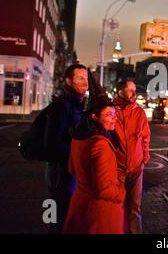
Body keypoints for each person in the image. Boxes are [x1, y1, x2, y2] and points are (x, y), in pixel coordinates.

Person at [63, 90, 125, 234]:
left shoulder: (77, 139)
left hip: (79, 206)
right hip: (99, 213)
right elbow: (104, 190)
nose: (114, 118)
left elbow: (72, 168)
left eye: (114, 114)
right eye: (109, 114)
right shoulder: (100, 144)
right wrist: (121, 192)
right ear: (94, 116)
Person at [44, 64, 87, 234]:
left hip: (68, 171)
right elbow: (52, 143)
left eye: (86, 78)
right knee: (58, 218)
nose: (85, 83)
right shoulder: (62, 106)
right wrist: (73, 158)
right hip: (61, 171)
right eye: (80, 78)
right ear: (69, 81)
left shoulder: (76, 104)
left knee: (65, 216)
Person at [111, 80, 150, 234]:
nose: (134, 93)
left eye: (135, 90)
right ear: (120, 92)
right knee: (117, 205)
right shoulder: (111, 110)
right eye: (130, 90)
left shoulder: (139, 112)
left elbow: (145, 137)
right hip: (117, 167)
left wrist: (144, 159)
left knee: (135, 207)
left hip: (136, 167)